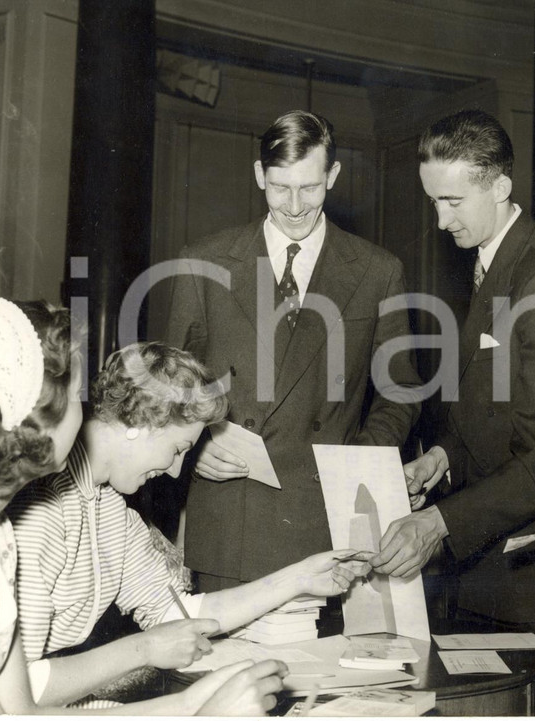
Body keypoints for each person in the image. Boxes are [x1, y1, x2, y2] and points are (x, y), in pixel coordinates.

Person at [0, 298, 285, 715]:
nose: (86, 412)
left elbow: (20, 713)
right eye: (74, 397)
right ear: (32, 413)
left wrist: (191, 704)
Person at [370, 110, 535, 714]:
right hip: (493, 582)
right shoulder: (493, 262)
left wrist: (439, 525)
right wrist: (442, 458)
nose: (440, 219)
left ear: (500, 186)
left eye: (452, 200)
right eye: (433, 201)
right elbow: (496, 411)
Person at [8, 341, 363, 707]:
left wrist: (300, 578)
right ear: (139, 423)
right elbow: (17, 693)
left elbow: (181, 613)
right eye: (178, 449)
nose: (177, 469)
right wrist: (144, 649)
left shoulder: (111, 511)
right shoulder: (42, 510)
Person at [166, 109, 421, 593]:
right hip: (230, 520)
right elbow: (171, 385)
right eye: (280, 187)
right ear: (260, 174)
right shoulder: (204, 261)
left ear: (333, 176)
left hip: (327, 522)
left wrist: (354, 463)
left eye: (310, 187)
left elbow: (401, 391)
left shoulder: (377, 270)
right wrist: (194, 444)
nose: (296, 206)